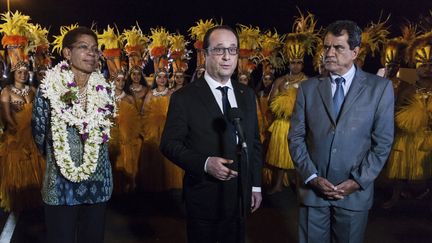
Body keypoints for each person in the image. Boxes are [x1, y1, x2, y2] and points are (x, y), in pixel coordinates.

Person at [288, 20, 394, 243]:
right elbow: (296, 138)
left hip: (354, 195)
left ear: (355, 52)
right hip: (313, 193)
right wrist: (312, 177)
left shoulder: (379, 89)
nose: (329, 53)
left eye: (338, 47)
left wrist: (357, 181)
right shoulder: (307, 89)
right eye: (326, 47)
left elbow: (382, 143)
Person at [160, 25, 263, 243]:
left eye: (232, 49)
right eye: (219, 50)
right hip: (204, 199)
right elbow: (169, 143)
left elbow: (253, 143)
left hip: (240, 200)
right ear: (205, 54)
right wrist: (205, 163)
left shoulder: (246, 95)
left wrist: (254, 186)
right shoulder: (184, 98)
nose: (227, 56)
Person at [32, 26, 116, 243]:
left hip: (98, 184)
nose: (92, 53)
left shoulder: (105, 89)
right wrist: (60, 156)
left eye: (95, 49)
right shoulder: (48, 89)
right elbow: (39, 133)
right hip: (61, 185)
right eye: (83, 47)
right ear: (67, 53)